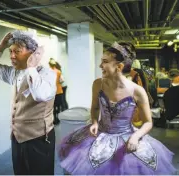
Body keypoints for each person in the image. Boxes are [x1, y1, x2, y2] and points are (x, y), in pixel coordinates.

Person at [58, 42, 176, 175]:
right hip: (100, 136)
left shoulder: (137, 91)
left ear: (119, 66)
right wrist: (95, 122)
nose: (100, 65)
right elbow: (95, 107)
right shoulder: (98, 84)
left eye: (105, 62)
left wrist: (136, 137)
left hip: (126, 137)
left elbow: (148, 122)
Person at [0, 31, 57, 175]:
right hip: (17, 137)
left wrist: (31, 67)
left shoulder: (46, 74)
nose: (12, 56)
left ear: (33, 53)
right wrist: (1, 46)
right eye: (10, 51)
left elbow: (41, 95)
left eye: (17, 51)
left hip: (39, 139)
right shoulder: (15, 73)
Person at [49, 59, 63, 125]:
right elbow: (61, 80)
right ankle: (59, 118)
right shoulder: (58, 72)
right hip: (59, 91)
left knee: (53, 107)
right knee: (58, 105)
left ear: (50, 65)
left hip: (52, 92)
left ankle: (55, 119)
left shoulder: (49, 72)